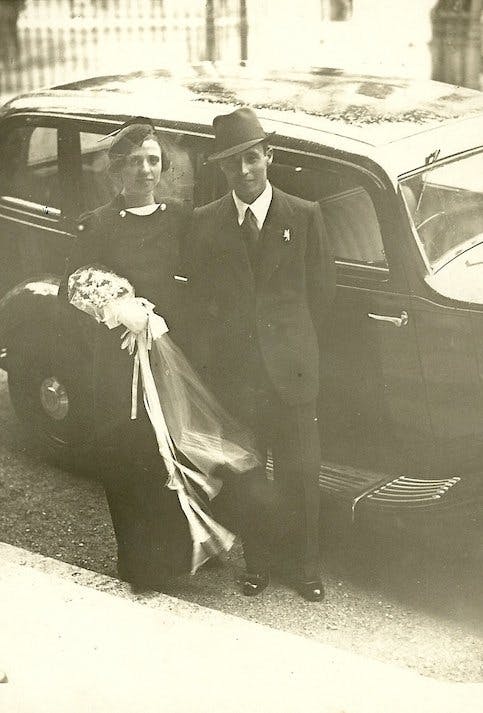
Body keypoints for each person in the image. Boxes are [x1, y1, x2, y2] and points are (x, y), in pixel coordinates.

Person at [59, 118, 234, 591]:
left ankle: (185, 551)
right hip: (117, 365)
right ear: (116, 172)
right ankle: (140, 564)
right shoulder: (97, 223)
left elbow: (199, 279)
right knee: (126, 457)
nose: (144, 170)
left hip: (169, 355)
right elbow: (69, 284)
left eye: (153, 160)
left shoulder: (180, 217)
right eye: (134, 162)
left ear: (164, 167)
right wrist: (116, 306)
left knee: (175, 453)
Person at [187, 107, 336, 601]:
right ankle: (260, 562)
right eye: (233, 164)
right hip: (240, 377)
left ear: (269, 155)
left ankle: (306, 568)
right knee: (250, 476)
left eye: (252, 158)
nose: (245, 171)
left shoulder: (305, 215)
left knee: (300, 472)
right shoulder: (207, 223)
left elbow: (321, 297)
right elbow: (204, 302)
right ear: (222, 170)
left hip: (292, 373)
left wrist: (297, 352)